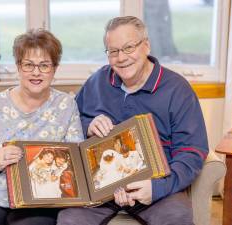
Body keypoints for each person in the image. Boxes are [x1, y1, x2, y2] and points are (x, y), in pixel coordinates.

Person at [57, 16, 208, 225]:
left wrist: (158, 188)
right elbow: (69, 124)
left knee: (178, 216)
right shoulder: (97, 82)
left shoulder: (177, 90)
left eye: (129, 47)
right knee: (69, 219)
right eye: (114, 51)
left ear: (146, 46)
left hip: (155, 189)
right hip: (101, 189)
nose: (121, 58)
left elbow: (192, 152)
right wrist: (87, 126)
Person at [0, 29, 84, 225]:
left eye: (44, 65)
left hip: (39, 200)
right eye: (28, 64)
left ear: (54, 69)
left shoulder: (66, 106)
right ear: (18, 67)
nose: (36, 72)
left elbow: (75, 161)